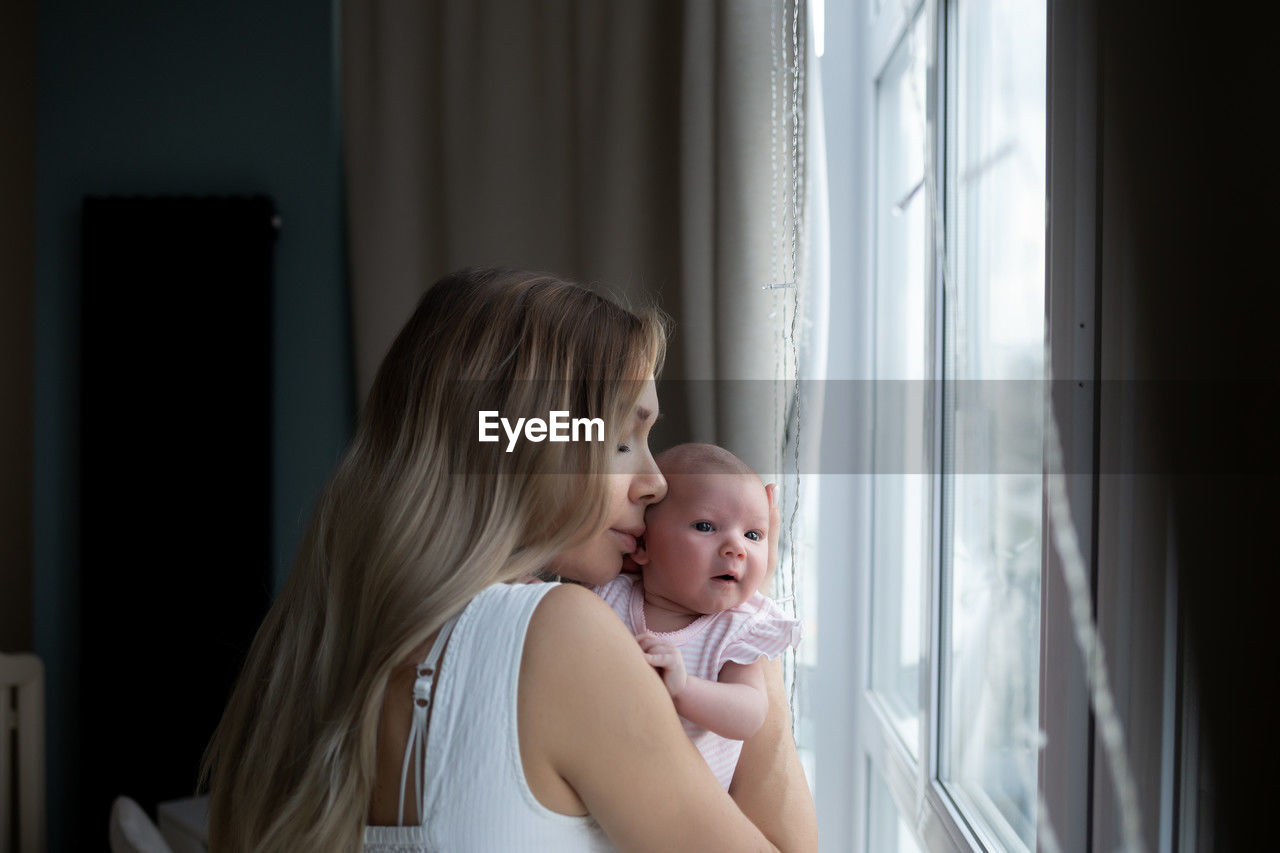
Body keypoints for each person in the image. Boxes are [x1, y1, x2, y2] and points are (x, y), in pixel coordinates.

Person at [201, 268, 816, 851]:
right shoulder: (560, 634)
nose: (654, 482)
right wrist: (739, 628)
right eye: (622, 440)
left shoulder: (305, 652)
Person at [594, 443, 802, 790]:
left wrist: (684, 688)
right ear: (642, 543)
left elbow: (749, 713)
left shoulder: (736, 627)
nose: (736, 547)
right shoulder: (608, 595)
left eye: (753, 535)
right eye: (706, 526)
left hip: (684, 808)